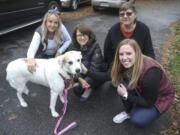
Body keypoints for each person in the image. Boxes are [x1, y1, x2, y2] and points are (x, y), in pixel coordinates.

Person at [111, 39, 174, 128]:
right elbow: (108, 75)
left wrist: (125, 95)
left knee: (137, 119)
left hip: (160, 97)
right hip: (142, 88)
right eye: (121, 54)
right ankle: (129, 111)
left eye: (128, 53)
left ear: (137, 53)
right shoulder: (127, 62)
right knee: (123, 85)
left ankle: (136, 112)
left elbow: (149, 102)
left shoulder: (151, 74)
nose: (124, 58)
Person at [104, 2, 155, 70]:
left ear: (135, 14)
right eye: (122, 14)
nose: (125, 16)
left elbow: (149, 52)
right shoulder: (113, 30)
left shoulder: (144, 29)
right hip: (119, 67)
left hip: (138, 67)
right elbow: (107, 52)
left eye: (129, 13)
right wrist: (114, 66)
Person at [68, 24, 104, 101]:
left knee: (81, 87)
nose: (82, 38)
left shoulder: (95, 46)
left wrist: (79, 80)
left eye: (85, 35)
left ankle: (89, 88)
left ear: (89, 36)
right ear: (75, 36)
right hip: (80, 73)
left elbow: (95, 70)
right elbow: (69, 66)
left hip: (93, 74)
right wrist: (79, 78)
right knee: (77, 90)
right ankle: (78, 83)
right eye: (79, 35)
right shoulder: (72, 46)